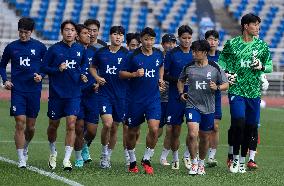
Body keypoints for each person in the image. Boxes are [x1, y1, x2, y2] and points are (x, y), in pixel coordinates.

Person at [218, 13, 272, 173]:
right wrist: (227, 73)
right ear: (246, 26)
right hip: (236, 90)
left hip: (254, 93)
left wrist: (261, 66)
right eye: (255, 24)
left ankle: (242, 160)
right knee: (238, 123)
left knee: (250, 127)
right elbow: (221, 62)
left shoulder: (262, 46)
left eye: (258, 25)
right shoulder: (232, 44)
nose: (258, 28)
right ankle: (234, 159)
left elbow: (270, 66)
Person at [41, 20, 88, 171]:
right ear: (62, 32)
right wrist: (57, 69)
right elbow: (44, 68)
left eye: (72, 30)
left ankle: (67, 159)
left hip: (74, 94)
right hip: (56, 94)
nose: (69, 32)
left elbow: (83, 65)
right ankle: (53, 151)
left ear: (76, 33)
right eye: (66, 30)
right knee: (53, 125)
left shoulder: (80, 49)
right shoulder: (54, 49)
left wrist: (82, 75)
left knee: (71, 124)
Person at [0, 17, 47, 168]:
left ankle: (25, 146)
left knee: (31, 127)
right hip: (17, 90)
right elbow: (2, 65)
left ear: (31, 32)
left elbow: (46, 65)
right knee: (20, 122)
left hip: (34, 91)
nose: (23, 35)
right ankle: (21, 159)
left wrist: (41, 75)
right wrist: (5, 80)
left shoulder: (40, 47)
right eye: (20, 32)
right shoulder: (11, 47)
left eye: (26, 32)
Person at [178, 39, 228, 175]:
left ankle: (201, 163)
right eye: (192, 51)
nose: (193, 53)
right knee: (192, 134)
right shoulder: (189, 66)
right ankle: (194, 163)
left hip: (208, 107)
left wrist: (217, 87)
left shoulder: (215, 67)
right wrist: (181, 93)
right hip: (192, 105)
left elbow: (226, 84)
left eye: (196, 51)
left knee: (205, 137)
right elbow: (181, 80)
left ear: (204, 52)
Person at [119, 27, 165, 174]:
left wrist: (160, 79)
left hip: (153, 99)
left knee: (154, 128)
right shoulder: (133, 56)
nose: (149, 42)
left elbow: (161, 65)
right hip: (135, 100)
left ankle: (146, 159)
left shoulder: (158, 54)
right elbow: (121, 74)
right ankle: (132, 161)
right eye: (146, 39)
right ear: (141, 40)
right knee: (132, 132)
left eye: (151, 39)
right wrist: (133, 74)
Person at [90, 26, 128, 169]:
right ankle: (104, 153)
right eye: (115, 34)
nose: (118, 37)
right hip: (105, 94)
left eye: (120, 35)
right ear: (110, 36)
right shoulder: (101, 52)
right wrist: (97, 77)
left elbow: (131, 73)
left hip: (121, 96)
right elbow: (92, 67)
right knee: (107, 124)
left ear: (123, 38)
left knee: (115, 128)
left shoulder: (127, 54)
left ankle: (108, 156)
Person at [161, 25, 193, 170]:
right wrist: (179, 80)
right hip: (175, 97)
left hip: (193, 97)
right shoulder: (172, 54)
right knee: (175, 130)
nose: (186, 41)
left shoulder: (195, 53)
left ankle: (188, 156)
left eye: (189, 38)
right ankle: (175, 158)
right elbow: (165, 74)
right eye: (184, 38)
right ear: (179, 38)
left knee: (194, 130)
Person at [74, 24, 99, 167]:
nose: (89, 35)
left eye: (90, 33)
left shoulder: (95, 52)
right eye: (85, 33)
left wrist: (98, 82)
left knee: (91, 130)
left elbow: (101, 70)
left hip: (92, 95)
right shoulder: (72, 52)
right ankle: (78, 158)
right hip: (77, 95)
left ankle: (84, 146)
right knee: (79, 127)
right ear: (78, 36)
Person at [158, 33, 177, 167]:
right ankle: (149, 154)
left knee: (170, 129)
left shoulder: (177, 57)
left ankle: (163, 156)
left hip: (173, 98)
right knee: (156, 130)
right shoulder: (158, 57)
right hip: (158, 98)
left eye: (173, 43)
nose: (170, 45)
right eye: (168, 43)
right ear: (162, 44)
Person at [204, 30, 221, 167]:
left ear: (218, 42)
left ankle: (211, 156)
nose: (212, 42)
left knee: (215, 126)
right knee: (202, 127)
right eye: (210, 39)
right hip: (201, 96)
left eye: (215, 40)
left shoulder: (222, 58)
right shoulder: (201, 56)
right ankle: (197, 154)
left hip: (216, 96)